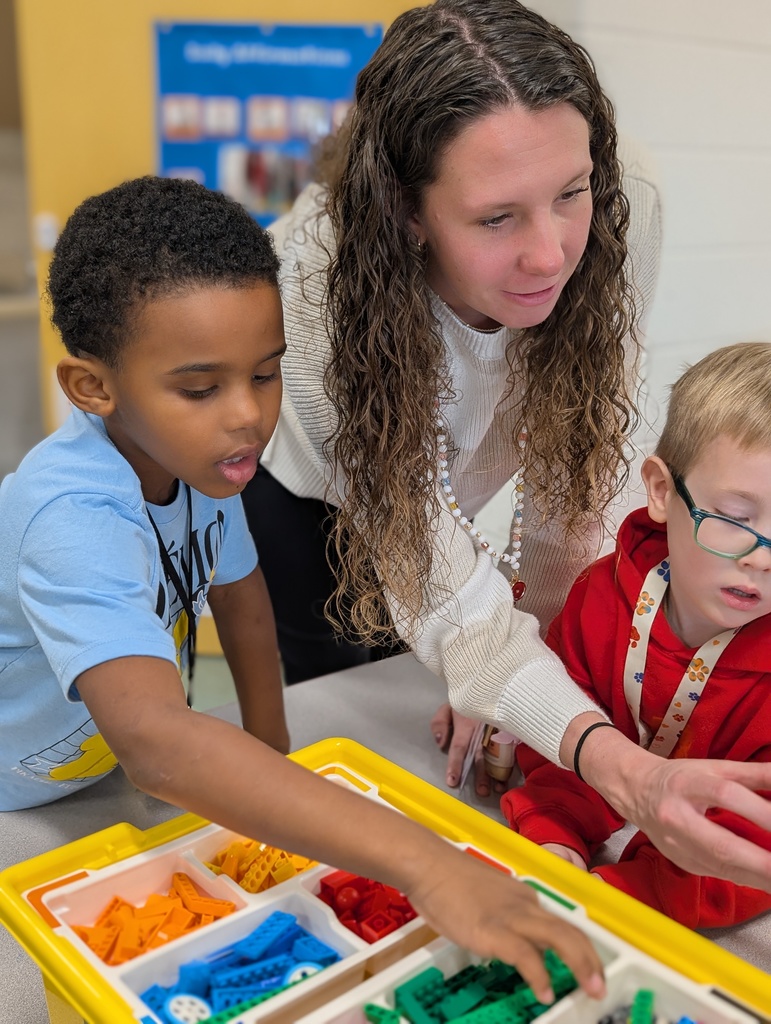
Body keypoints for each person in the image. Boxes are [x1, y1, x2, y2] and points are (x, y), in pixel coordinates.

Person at [0, 175, 608, 1002]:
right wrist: (427, 866)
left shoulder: (195, 464)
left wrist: (273, 756)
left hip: (93, 768)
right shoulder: (71, 515)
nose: (248, 416)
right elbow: (158, 741)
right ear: (92, 388)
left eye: (265, 373)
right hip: (17, 794)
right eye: (200, 387)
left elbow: (242, 597)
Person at [241, 0, 771, 893]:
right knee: (360, 699)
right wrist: (615, 765)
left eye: (569, 194)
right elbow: (437, 580)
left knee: (495, 684)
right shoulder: (312, 302)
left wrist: (544, 681)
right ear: (405, 214)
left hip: (423, 485)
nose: (552, 254)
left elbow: (574, 454)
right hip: (307, 495)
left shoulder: (621, 195)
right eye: (495, 219)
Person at [501, 342, 771, 930]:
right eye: (734, 518)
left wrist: (618, 894)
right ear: (661, 492)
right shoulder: (601, 594)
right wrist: (555, 835)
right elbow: (562, 728)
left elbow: (750, 848)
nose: (761, 559)